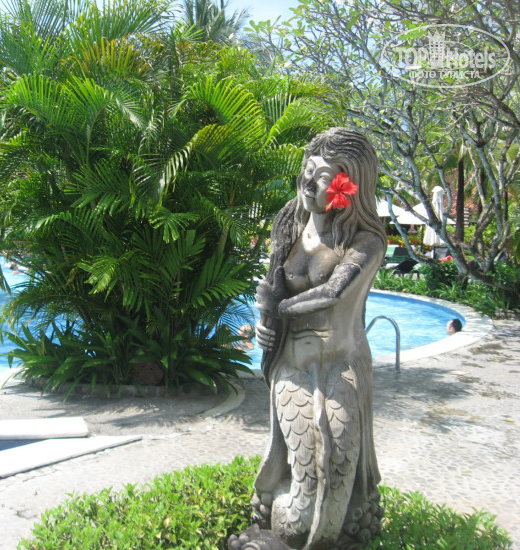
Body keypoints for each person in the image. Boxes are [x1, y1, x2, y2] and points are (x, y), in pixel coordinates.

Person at [234, 128, 387, 550]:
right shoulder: (288, 226)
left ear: (348, 186)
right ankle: (276, 526)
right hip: (293, 366)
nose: (307, 181)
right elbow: (272, 290)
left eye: (321, 177)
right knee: (303, 488)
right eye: (307, 169)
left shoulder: (367, 241)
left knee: (336, 472)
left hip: (340, 365)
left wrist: (280, 308)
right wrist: (266, 322)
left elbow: (333, 291)